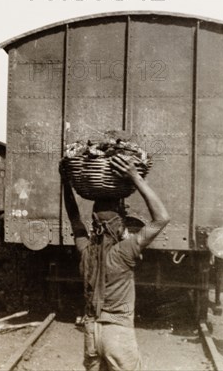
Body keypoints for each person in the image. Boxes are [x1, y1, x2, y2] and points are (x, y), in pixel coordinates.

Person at [62, 155, 170, 371]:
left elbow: (75, 219)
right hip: (118, 333)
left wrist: (66, 182)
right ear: (119, 226)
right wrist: (135, 177)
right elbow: (161, 218)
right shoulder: (125, 252)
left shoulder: (86, 251)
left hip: (91, 332)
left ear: (94, 224)